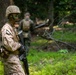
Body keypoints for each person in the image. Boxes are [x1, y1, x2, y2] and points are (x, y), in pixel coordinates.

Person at [1, 5, 26, 75]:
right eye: (16, 15)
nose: (17, 17)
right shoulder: (6, 28)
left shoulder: (13, 28)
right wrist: (19, 46)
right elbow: (10, 45)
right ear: (10, 16)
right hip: (10, 58)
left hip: (13, 57)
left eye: (18, 15)